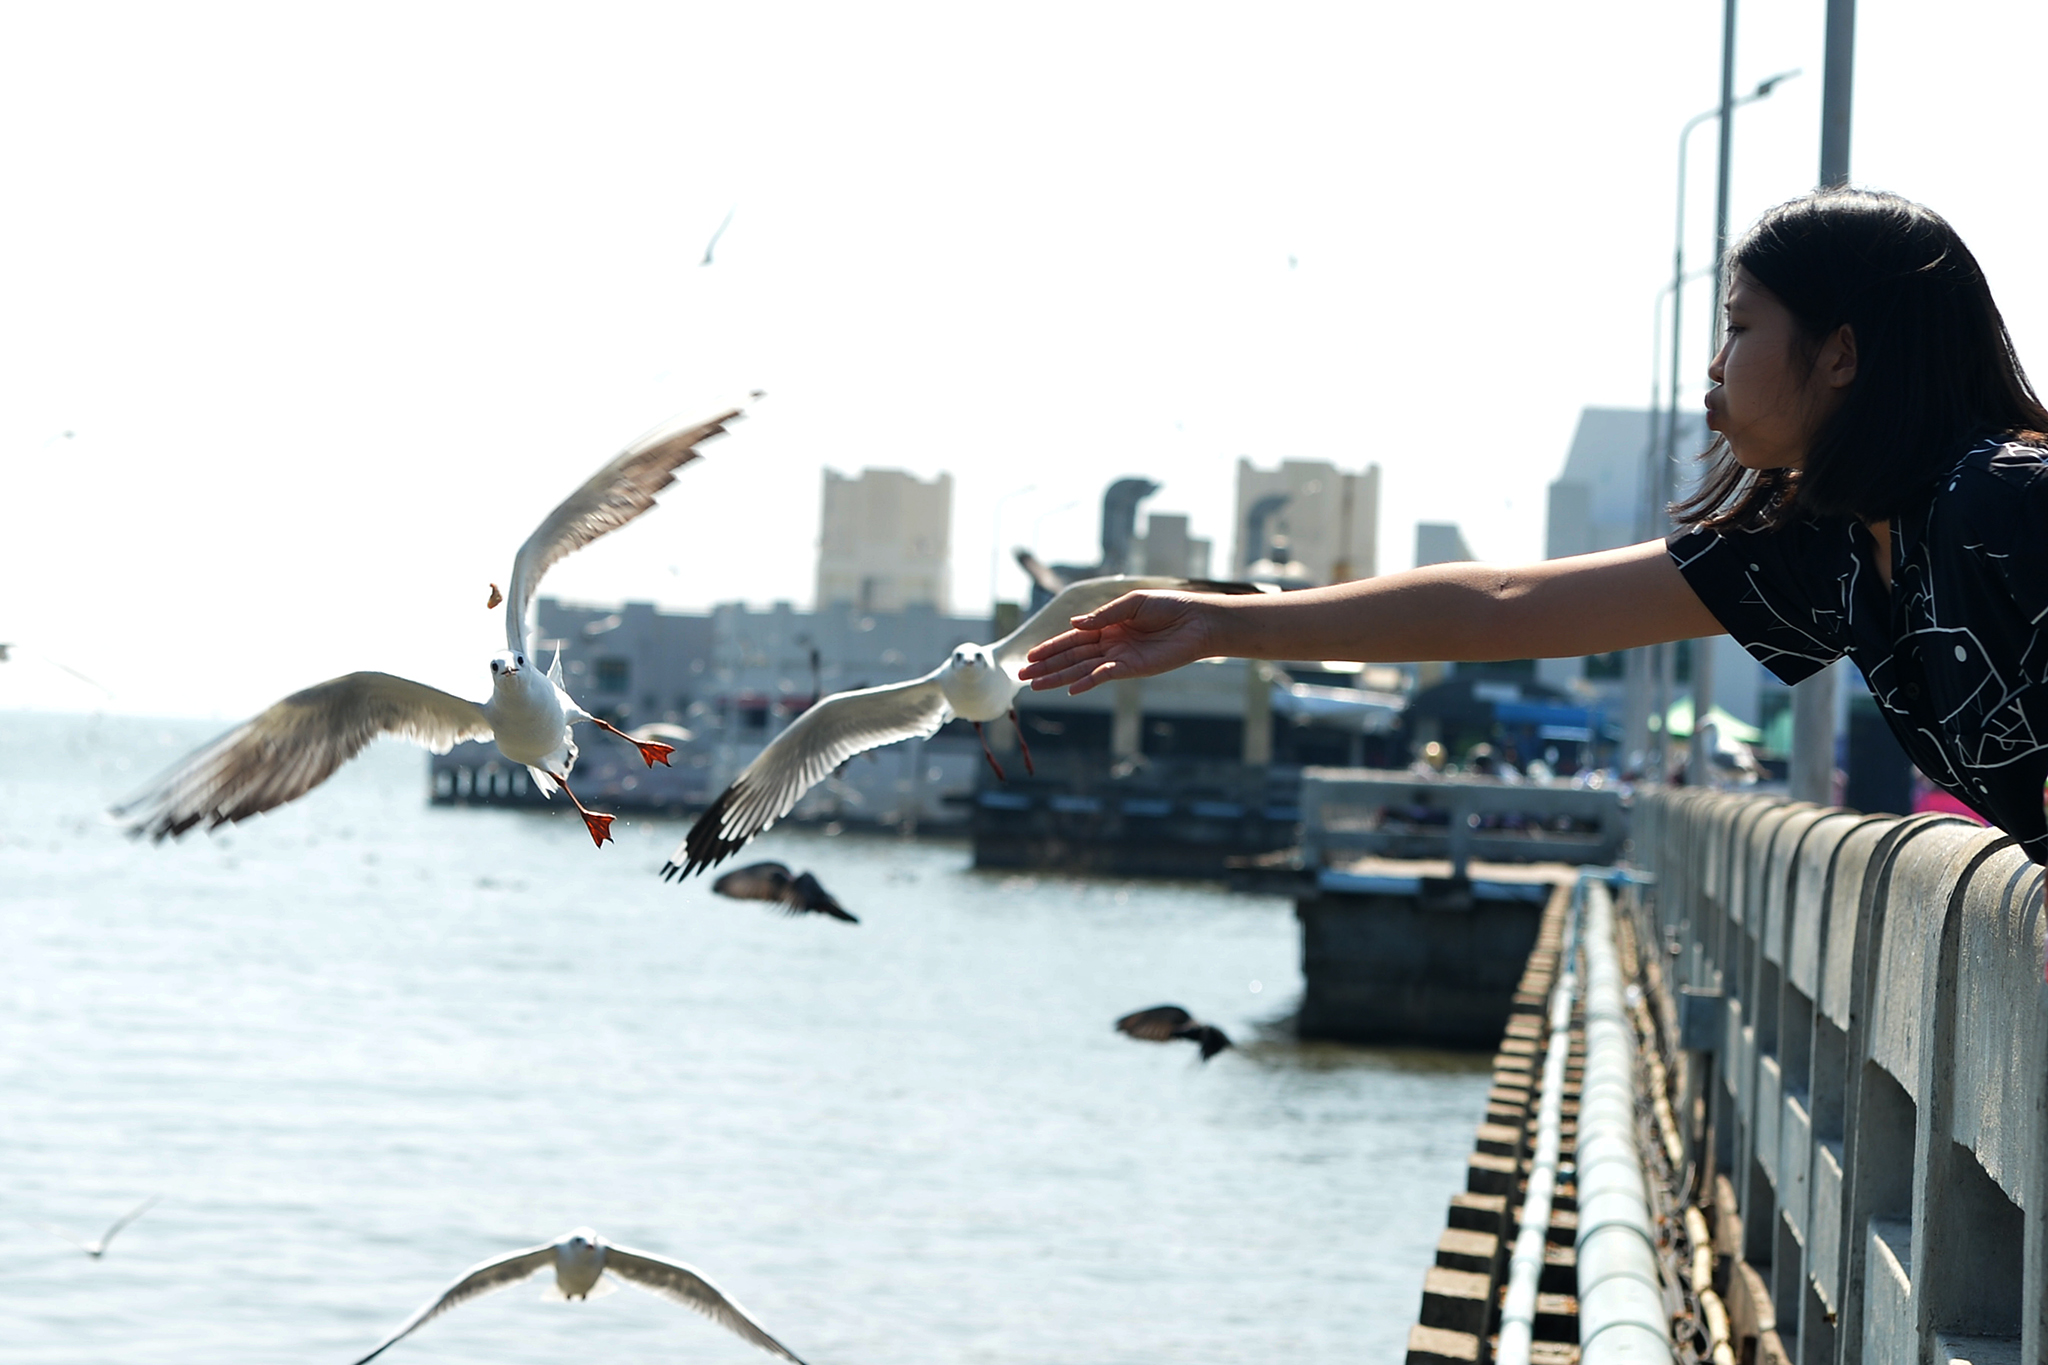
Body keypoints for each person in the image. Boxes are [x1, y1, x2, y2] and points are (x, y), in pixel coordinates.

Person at [1019, 189, 2048, 865]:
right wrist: (1225, 625)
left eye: (1738, 328)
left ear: (1840, 355)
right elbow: (1504, 606)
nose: (1712, 367)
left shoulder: (1999, 499)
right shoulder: (1832, 549)